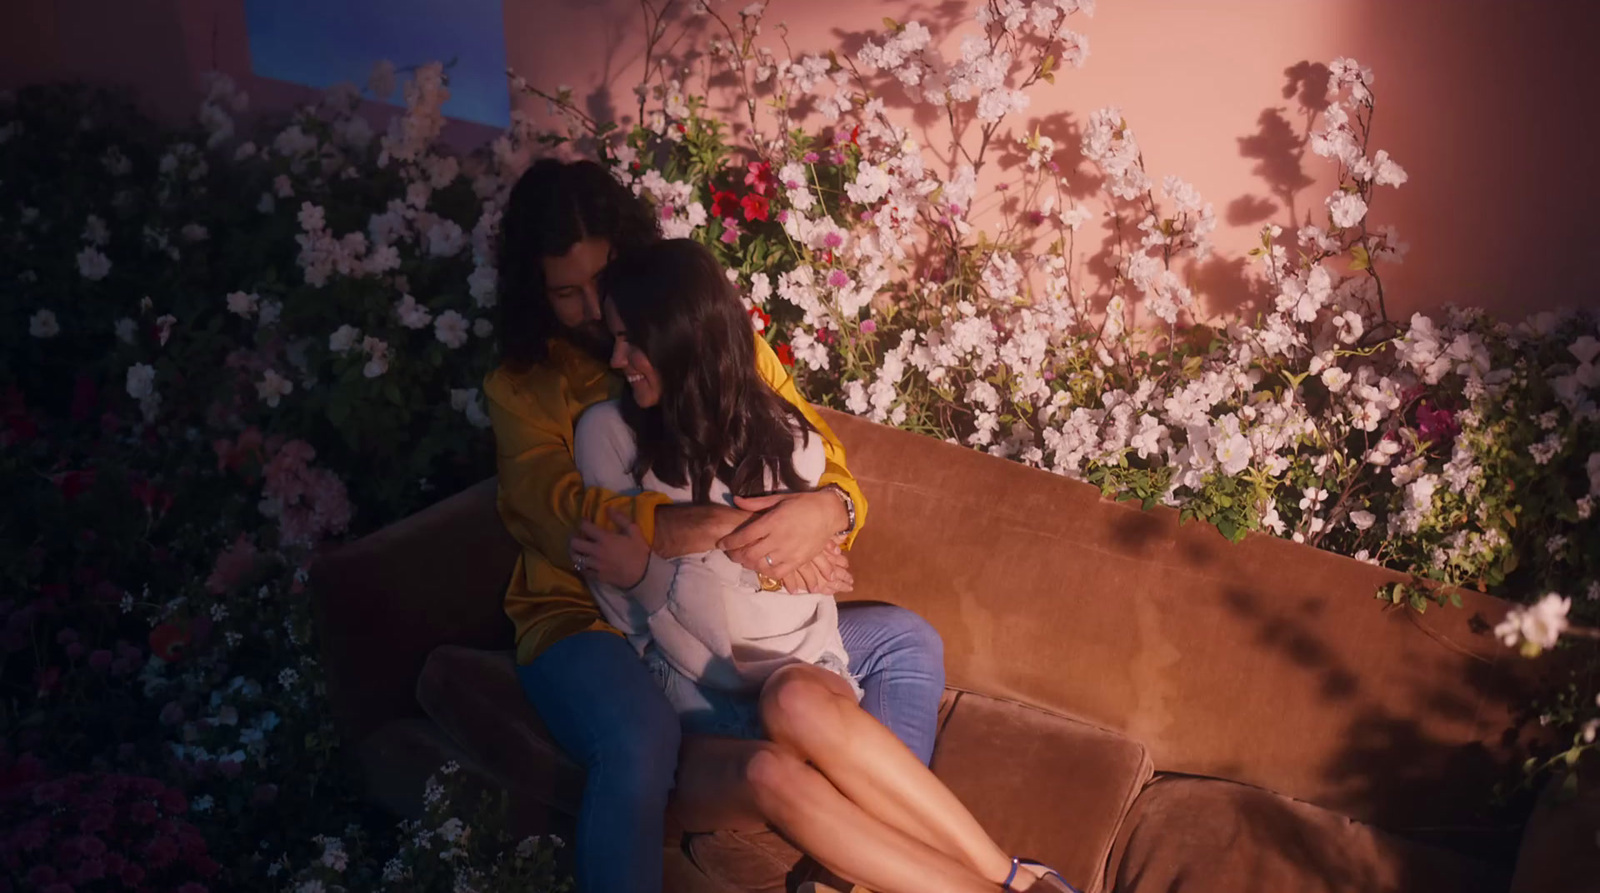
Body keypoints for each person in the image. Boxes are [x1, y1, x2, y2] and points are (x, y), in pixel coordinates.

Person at [484, 158, 946, 892]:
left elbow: (821, 460)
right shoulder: (521, 388)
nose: (593, 311)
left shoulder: (712, 335)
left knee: (905, 638)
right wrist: (738, 526)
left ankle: (859, 864)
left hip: (730, 597)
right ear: (533, 293)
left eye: (604, 281)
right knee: (638, 737)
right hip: (581, 615)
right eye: (566, 294)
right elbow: (563, 520)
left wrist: (827, 512)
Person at [565, 239, 1077, 893]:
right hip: (693, 715)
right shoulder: (605, 433)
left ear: (682, 335)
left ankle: (1010, 873)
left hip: (799, 681)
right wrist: (732, 542)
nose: (616, 359)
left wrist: (670, 552)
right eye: (614, 338)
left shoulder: (786, 435)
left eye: (632, 339)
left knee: (798, 692)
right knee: (767, 772)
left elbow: (796, 607)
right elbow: (637, 607)